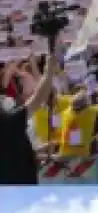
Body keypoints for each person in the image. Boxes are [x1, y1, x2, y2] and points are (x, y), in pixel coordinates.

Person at [0, 51, 54, 184]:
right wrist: (48, 73)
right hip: (23, 188)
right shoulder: (12, 121)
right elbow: (39, 97)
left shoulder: (13, 119)